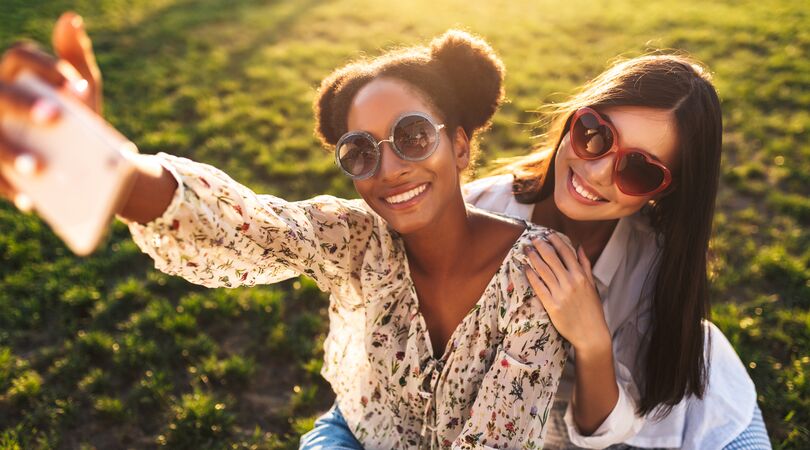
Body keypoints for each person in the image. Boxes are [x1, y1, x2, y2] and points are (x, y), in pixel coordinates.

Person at [0, 14, 568, 450]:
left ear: (461, 144)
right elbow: (247, 225)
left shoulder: (536, 272)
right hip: (352, 434)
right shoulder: (356, 239)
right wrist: (116, 173)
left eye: (413, 137)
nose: (389, 168)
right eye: (361, 152)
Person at [463, 54, 771, 449]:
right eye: (595, 134)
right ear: (576, 118)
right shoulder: (479, 211)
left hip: (664, 412)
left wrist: (592, 340)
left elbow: (603, 431)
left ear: (665, 191)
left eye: (639, 171)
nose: (596, 172)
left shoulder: (654, 268)